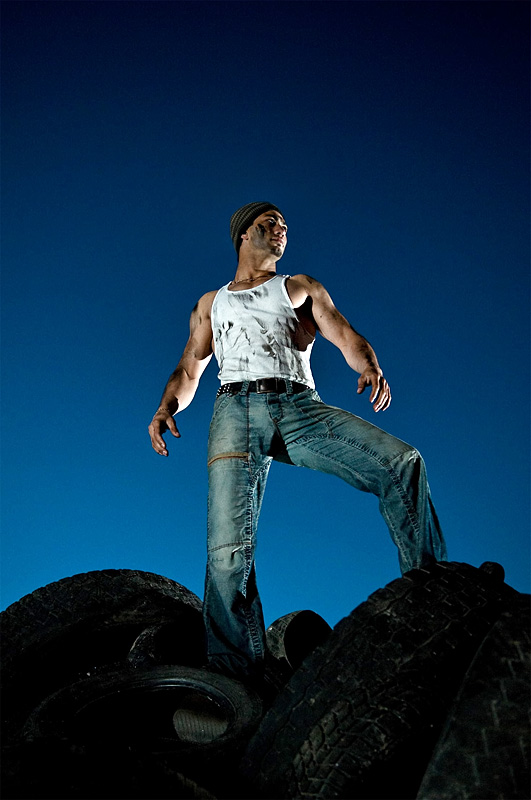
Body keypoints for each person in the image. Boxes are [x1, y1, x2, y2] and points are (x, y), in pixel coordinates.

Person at [148, 201, 447, 688]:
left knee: (401, 462)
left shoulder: (299, 287)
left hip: (299, 408)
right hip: (234, 413)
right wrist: (167, 408)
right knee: (228, 552)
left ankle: (432, 594)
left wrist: (368, 366)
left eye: (285, 225)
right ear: (244, 234)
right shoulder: (211, 303)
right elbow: (189, 368)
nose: (281, 230)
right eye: (270, 223)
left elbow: (344, 333)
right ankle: (235, 679)